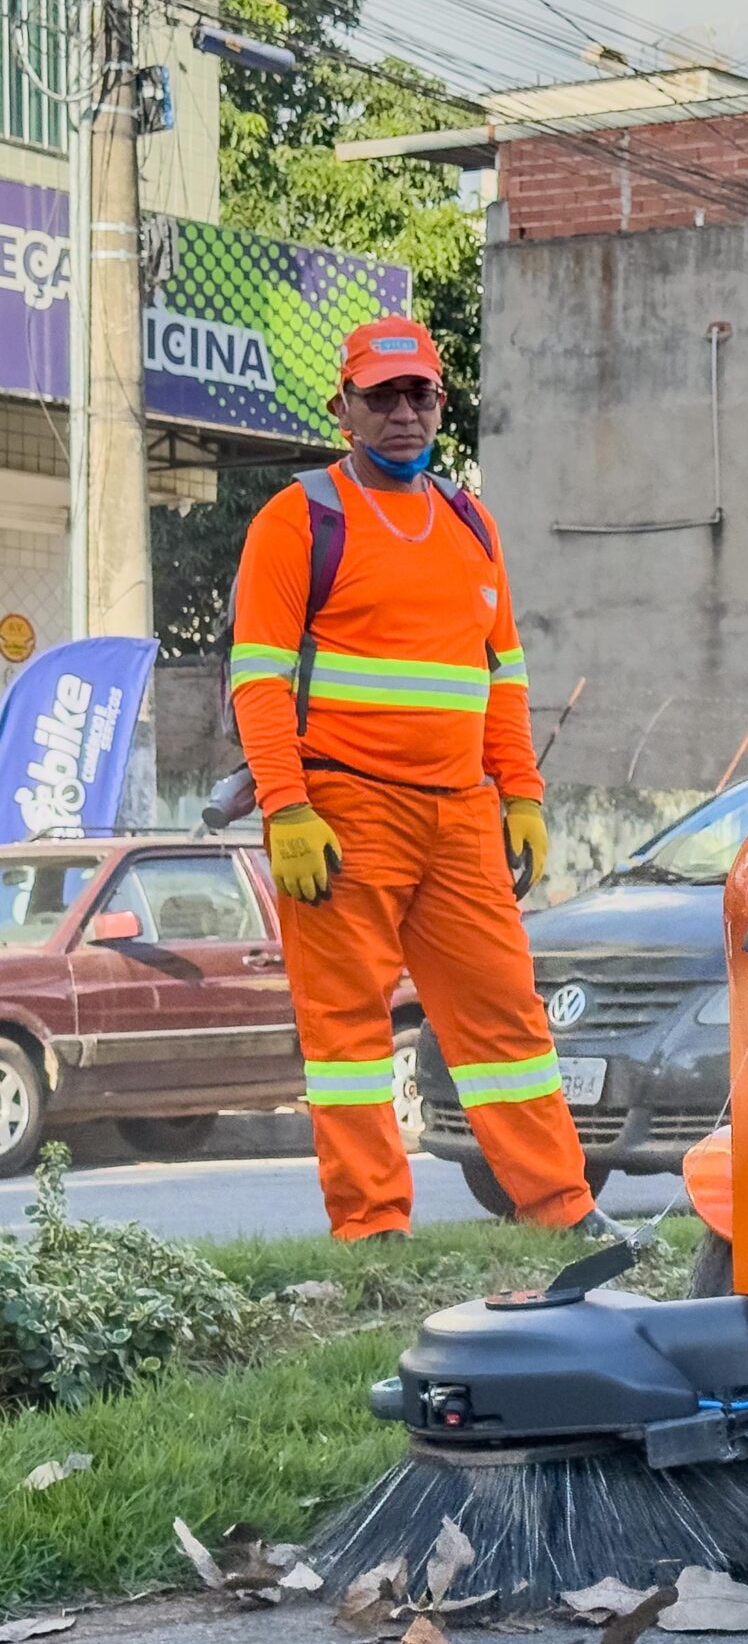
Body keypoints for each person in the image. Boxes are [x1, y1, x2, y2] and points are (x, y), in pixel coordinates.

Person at [230, 317, 617, 1243]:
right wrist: (287, 808)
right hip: (341, 810)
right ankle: (372, 1227)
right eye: (382, 396)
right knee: (349, 1036)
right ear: (345, 408)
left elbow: (503, 675)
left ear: (441, 403)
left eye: (420, 394)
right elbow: (258, 679)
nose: (403, 412)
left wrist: (521, 795)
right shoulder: (298, 519)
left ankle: (561, 1209)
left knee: (507, 1023)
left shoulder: (470, 523)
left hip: (461, 815)